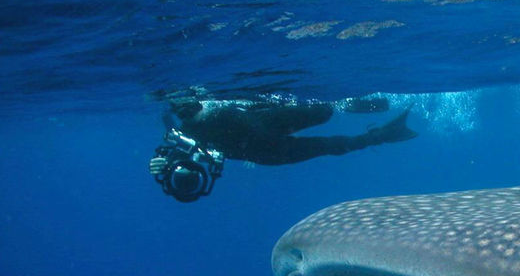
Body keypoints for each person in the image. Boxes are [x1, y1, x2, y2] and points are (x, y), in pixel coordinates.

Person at [149, 97, 417, 202]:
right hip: (266, 149)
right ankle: (387, 132)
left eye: (184, 174)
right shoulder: (187, 144)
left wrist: (162, 161)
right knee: (331, 140)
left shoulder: (178, 140)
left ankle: (375, 107)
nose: (192, 172)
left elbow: (170, 148)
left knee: (324, 112)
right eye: (194, 178)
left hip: (264, 140)